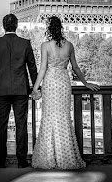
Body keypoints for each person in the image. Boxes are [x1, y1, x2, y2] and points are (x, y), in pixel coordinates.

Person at [30, 16, 99, 170]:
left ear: (49, 29)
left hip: (50, 82)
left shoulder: (45, 45)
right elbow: (75, 67)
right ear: (60, 28)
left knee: (49, 117)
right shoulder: (69, 45)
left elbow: (42, 69)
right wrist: (86, 83)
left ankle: (49, 156)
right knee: (63, 118)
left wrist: (35, 88)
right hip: (63, 82)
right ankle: (65, 156)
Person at [0, 13, 37, 168]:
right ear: (17, 25)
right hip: (21, 89)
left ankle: (0, 160)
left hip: (0, 90)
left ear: (3, 26)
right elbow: (32, 68)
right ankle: (22, 161)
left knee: (1, 125)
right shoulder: (25, 43)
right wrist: (35, 88)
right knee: (21, 125)